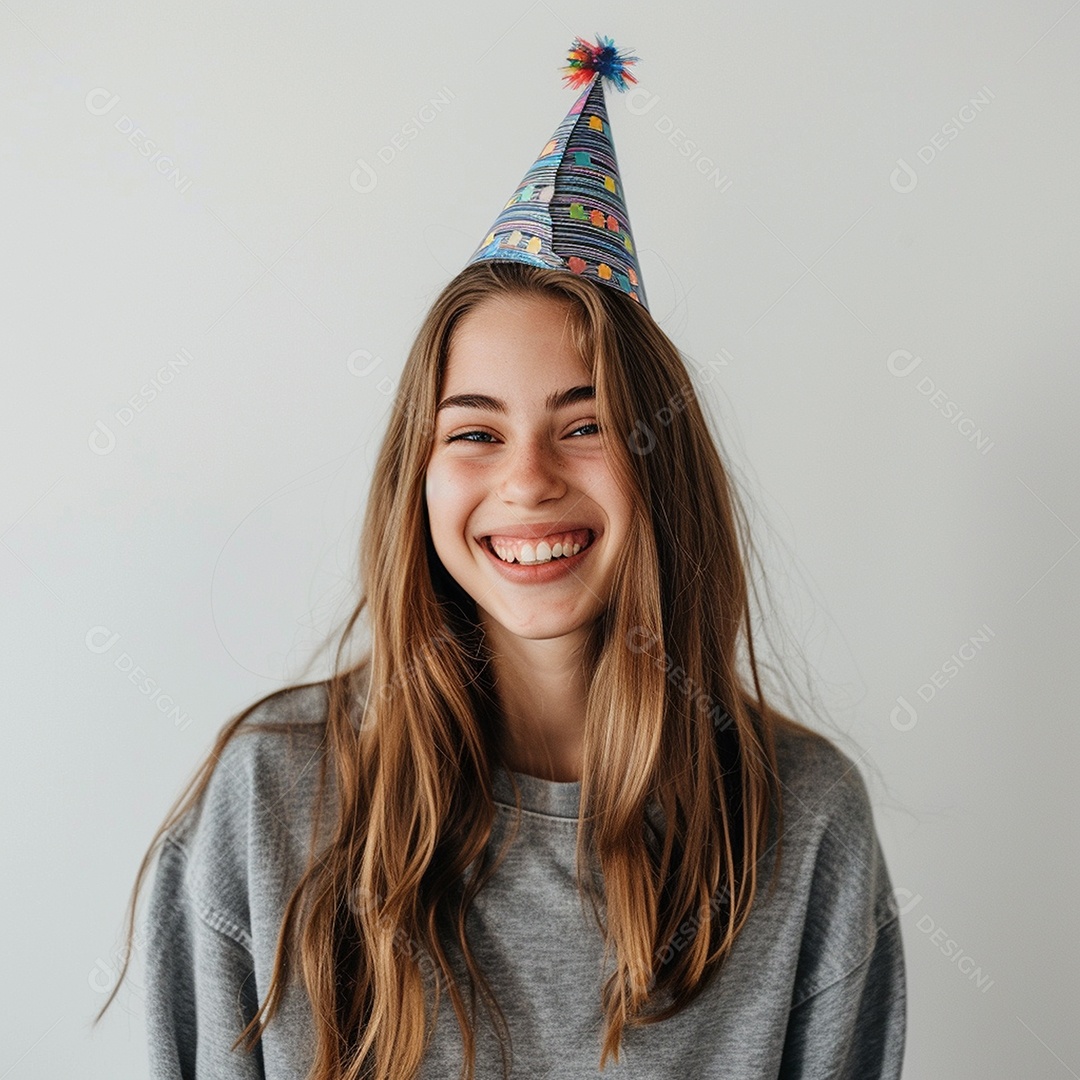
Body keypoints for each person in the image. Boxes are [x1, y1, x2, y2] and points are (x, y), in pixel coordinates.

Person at [96, 36, 906, 1080]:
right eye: (475, 431)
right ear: (419, 481)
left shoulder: (804, 824)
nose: (528, 480)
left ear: (662, 464)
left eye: (585, 425)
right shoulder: (271, 801)